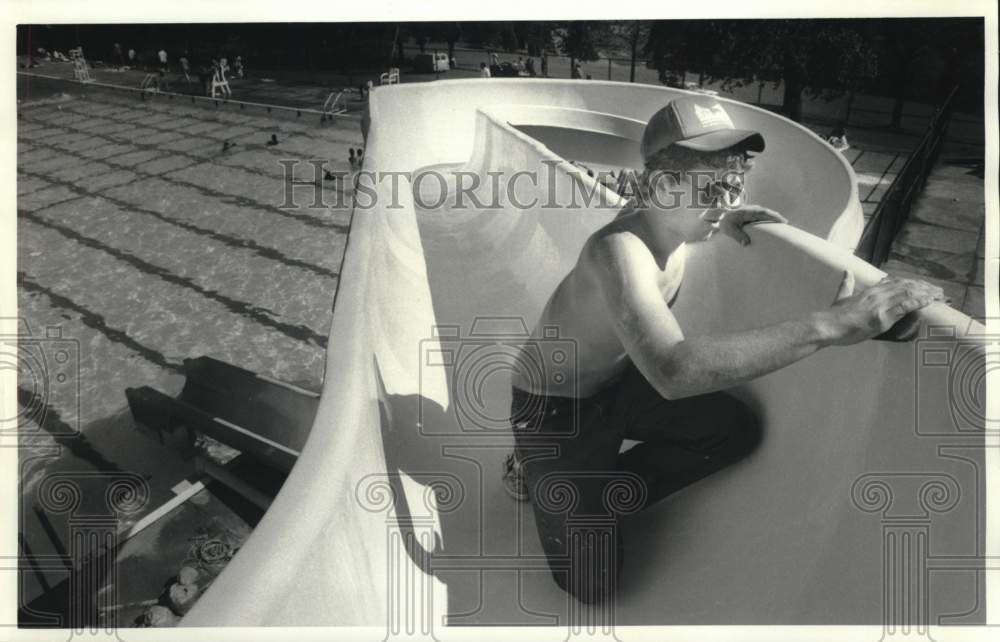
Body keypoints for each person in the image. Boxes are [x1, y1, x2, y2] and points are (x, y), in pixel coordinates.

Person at [502, 95, 945, 605]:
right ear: (663, 188)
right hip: (553, 412)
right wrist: (834, 324)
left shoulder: (666, 218)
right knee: (592, 586)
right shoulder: (617, 251)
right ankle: (537, 469)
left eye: (735, 184)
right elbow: (671, 371)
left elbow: (656, 207)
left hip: (615, 384)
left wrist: (718, 214)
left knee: (731, 432)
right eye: (713, 188)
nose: (728, 200)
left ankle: (592, 497)